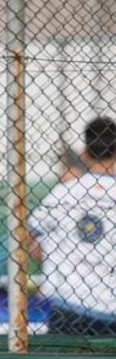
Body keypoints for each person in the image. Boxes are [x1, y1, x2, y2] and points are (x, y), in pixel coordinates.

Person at [27, 116, 116, 337]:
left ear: (85, 153)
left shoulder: (64, 193)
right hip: (112, 306)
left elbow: (29, 235)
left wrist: (48, 255)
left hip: (70, 304)